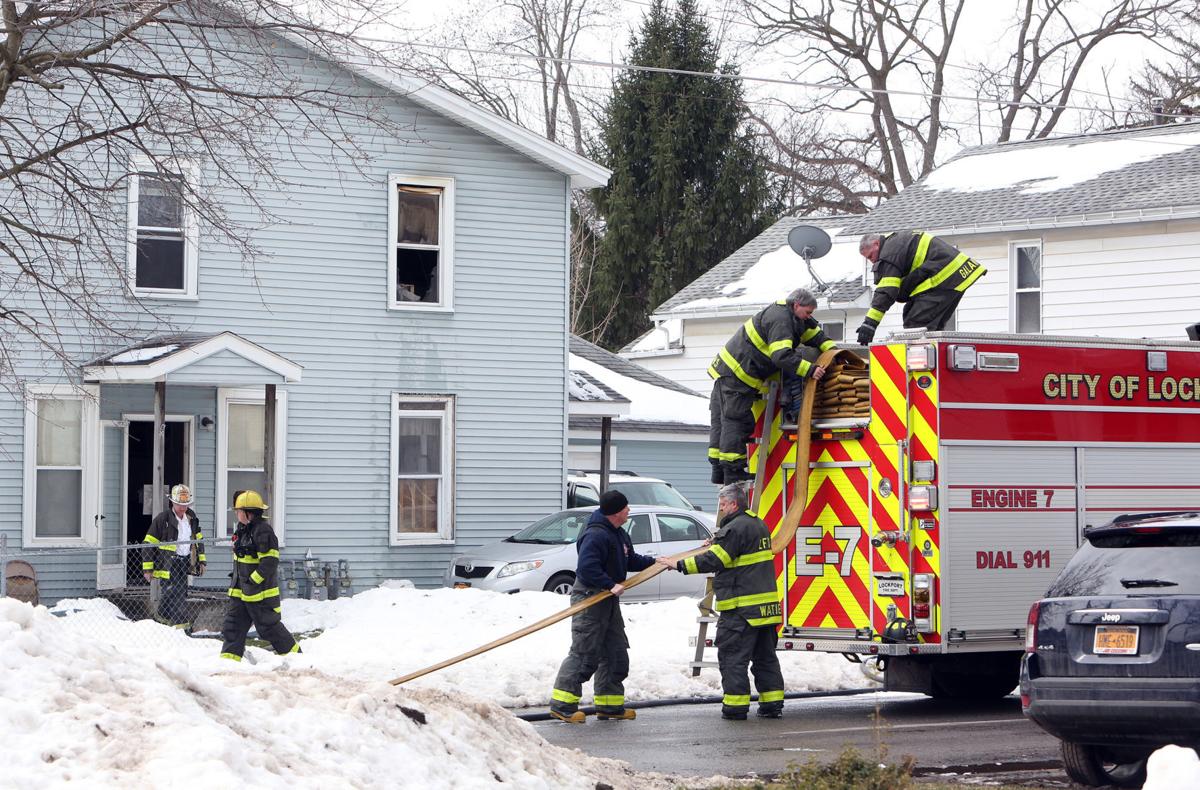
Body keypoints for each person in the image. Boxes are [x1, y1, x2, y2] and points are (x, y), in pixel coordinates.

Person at [658, 482, 784, 720]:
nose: (722, 509)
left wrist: (679, 564)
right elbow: (734, 551)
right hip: (765, 610)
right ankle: (772, 705)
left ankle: (735, 708)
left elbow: (714, 561)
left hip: (741, 609)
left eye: (724, 504)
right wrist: (717, 543)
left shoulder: (734, 529)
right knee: (765, 659)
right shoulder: (757, 524)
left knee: (733, 658)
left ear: (734, 503)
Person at [548, 490, 655, 724]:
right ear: (616, 512)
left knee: (615, 652)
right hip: (590, 598)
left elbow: (631, 560)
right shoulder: (595, 535)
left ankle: (609, 705)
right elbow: (587, 568)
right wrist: (609, 584)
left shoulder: (618, 533)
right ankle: (562, 705)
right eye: (626, 508)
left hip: (607, 598)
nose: (629, 511)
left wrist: (657, 563)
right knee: (585, 653)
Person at [708, 288, 834, 485]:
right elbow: (781, 356)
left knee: (723, 420)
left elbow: (815, 336)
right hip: (737, 373)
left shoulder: (795, 317)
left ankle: (719, 471)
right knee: (737, 421)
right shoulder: (781, 320)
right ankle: (732, 473)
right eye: (808, 312)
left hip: (729, 371)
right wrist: (810, 370)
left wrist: (833, 352)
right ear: (796, 305)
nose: (809, 317)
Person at [856, 231, 987, 345]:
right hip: (955, 276)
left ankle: (920, 368)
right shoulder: (896, 243)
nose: (872, 261)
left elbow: (886, 291)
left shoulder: (889, 253)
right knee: (930, 329)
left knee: (916, 326)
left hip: (944, 277)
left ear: (876, 244)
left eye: (870, 256)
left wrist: (870, 323)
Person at [220, 490, 300, 661]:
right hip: (240, 593)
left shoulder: (263, 531)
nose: (236, 514)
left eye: (239, 511)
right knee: (232, 627)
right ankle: (228, 664)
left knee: (269, 628)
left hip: (259, 595)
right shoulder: (243, 530)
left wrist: (252, 580)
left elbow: (269, 562)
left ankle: (297, 660)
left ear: (249, 513)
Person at [142, 484, 205, 627]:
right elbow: (148, 544)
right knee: (175, 593)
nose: (183, 508)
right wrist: (148, 569)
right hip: (168, 563)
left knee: (179, 592)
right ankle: (181, 625)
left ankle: (161, 617)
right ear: (172, 502)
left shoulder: (191, 517)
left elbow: (199, 540)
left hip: (185, 562)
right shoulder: (162, 519)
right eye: (180, 504)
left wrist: (202, 561)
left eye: (186, 504)